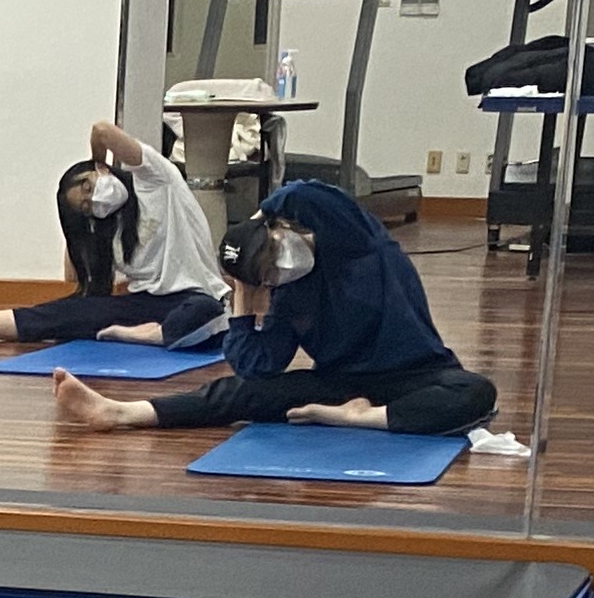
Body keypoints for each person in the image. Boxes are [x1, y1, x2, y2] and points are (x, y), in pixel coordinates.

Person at [48, 181, 498, 440]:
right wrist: (244, 296)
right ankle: (121, 412)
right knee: (239, 392)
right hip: (340, 383)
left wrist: (260, 220)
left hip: (420, 374)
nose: (278, 269)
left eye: (272, 254)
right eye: (266, 273)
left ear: (279, 229)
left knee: (475, 391)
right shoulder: (289, 297)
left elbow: (307, 193)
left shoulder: (355, 242)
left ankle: (361, 419)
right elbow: (257, 367)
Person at [0, 121, 225, 353]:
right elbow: (73, 279)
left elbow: (102, 130)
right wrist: (75, 235)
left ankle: (149, 335)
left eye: (88, 187)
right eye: (86, 205)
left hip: (197, 297)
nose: (94, 198)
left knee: (206, 312)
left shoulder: (156, 181)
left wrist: (98, 164)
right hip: (148, 306)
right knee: (69, 312)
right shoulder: (108, 234)